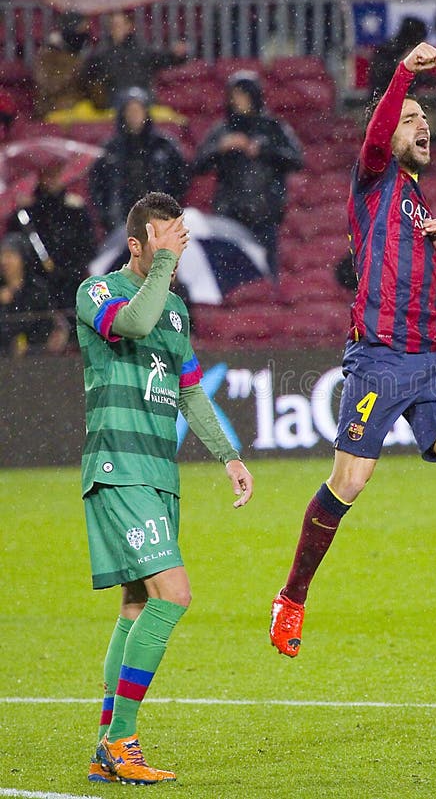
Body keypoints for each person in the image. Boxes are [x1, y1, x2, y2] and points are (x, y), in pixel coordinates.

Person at [269, 42, 436, 658]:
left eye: (426, 119)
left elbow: (427, 290)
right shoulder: (374, 180)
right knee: (352, 479)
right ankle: (292, 597)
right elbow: (376, 133)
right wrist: (402, 74)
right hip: (381, 359)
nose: (421, 125)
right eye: (409, 118)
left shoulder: (422, 206)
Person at [76, 192, 254, 785]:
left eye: (180, 236)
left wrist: (228, 455)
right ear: (136, 244)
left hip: (159, 474)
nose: (176, 247)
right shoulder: (98, 293)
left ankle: (107, 742)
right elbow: (133, 323)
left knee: (137, 604)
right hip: (119, 467)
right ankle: (122, 741)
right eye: (165, 238)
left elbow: (190, 391)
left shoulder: (176, 311)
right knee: (173, 594)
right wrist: (158, 269)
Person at [192, 70, 303, 279]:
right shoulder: (222, 130)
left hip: (265, 213)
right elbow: (198, 165)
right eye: (234, 96)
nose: (238, 101)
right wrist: (220, 148)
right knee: (231, 276)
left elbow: (296, 160)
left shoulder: (273, 127)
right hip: (230, 213)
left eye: (243, 95)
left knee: (265, 277)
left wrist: (263, 150)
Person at [89, 87, 189, 235]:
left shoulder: (164, 145)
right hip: (120, 218)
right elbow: (97, 184)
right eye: (130, 110)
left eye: (138, 110)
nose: (134, 115)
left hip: (158, 218)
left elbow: (181, 177)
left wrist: (168, 206)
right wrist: (107, 213)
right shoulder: (110, 149)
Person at [6, 161, 96, 312]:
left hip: (71, 281)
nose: (52, 177)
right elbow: (19, 246)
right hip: (39, 285)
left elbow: (88, 245)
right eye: (47, 172)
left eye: (56, 171)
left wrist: (68, 267)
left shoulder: (75, 208)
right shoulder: (26, 213)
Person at [81, 10, 188, 109]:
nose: (115, 29)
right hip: (115, 96)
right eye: (112, 25)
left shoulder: (142, 50)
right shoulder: (101, 54)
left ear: (129, 26)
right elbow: (89, 73)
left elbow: (164, 59)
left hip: (141, 93)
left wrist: (177, 55)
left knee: (135, 101)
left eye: (118, 25)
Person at [0, 233, 52, 356]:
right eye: (2, 255)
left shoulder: (37, 290)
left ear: (22, 258)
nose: (4, 261)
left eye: (10, 255)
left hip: (35, 359)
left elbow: (44, 326)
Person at [33, 11, 91, 117]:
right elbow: (52, 85)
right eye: (81, 29)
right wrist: (77, 63)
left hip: (80, 109)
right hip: (54, 112)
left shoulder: (84, 52)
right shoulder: (49, 55)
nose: (85, 33)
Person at [368, 16, 431, 97]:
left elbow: (419, 77)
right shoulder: (388, 50)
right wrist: (401, 63)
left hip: (406, 99)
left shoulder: (408, 51)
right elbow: (379, 75)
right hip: (383, 98)